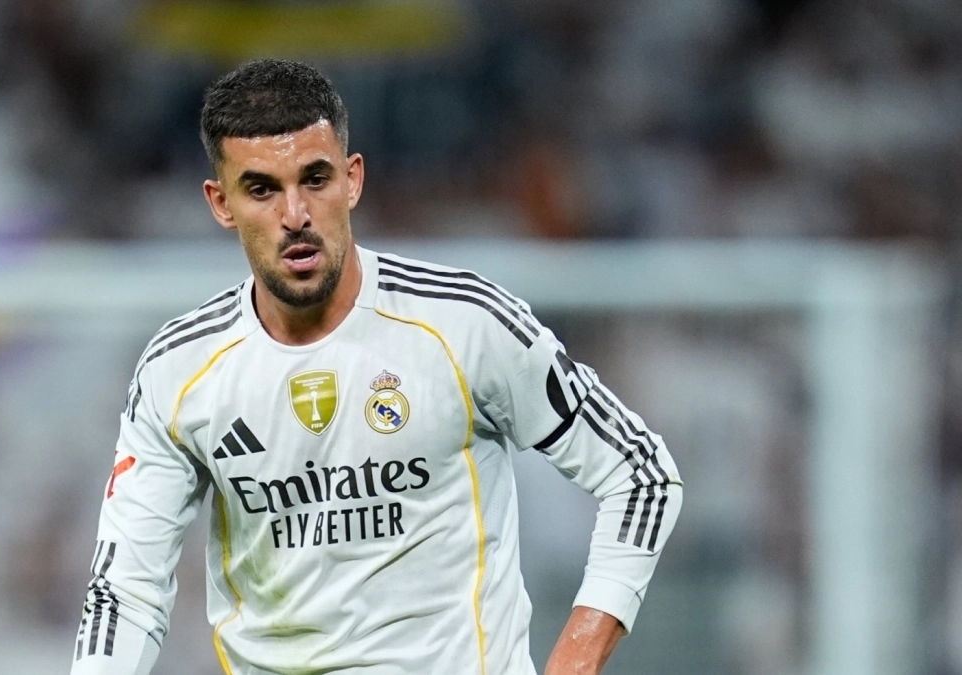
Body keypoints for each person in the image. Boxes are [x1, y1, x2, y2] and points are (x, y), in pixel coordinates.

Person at [71, 59, 682, 675]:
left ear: (353, 180)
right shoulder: (178, 372)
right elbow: (124, 591)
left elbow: (641, 472)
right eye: (261, 189)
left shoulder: (464, 323)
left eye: (315, 179)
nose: (295, 215)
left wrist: (575, 658)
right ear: (220, 203)